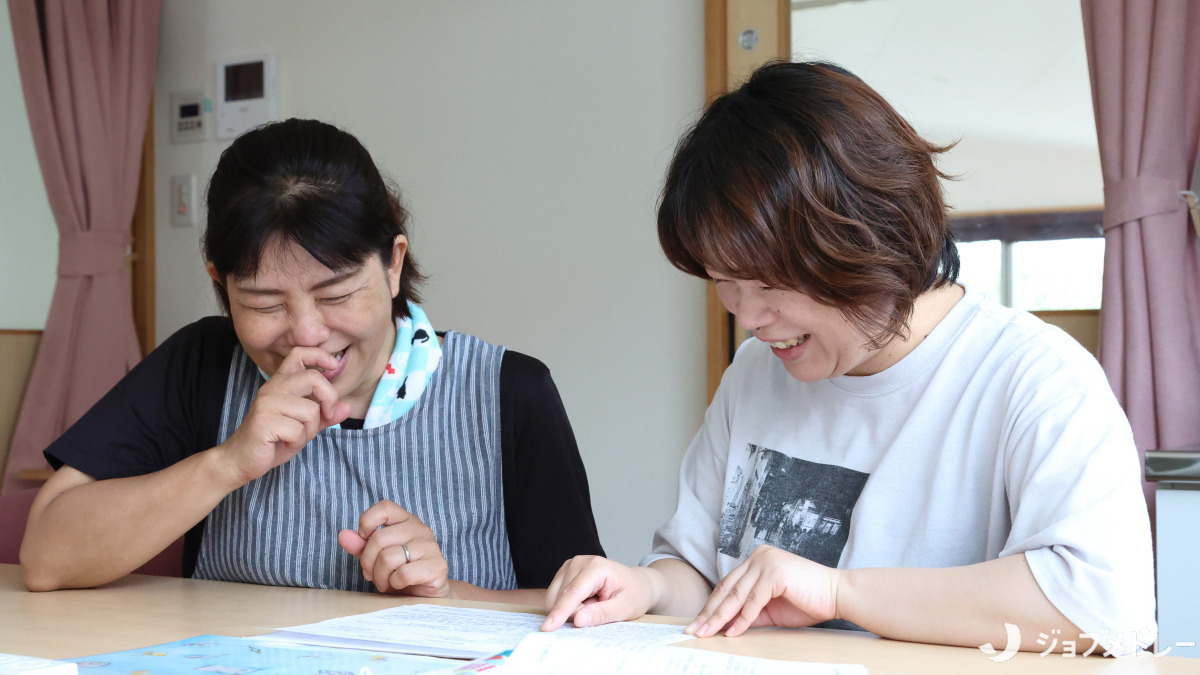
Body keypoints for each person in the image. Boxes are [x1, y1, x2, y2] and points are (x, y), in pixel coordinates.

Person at [542, 62, 1155, 656]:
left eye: (769, 284)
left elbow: (1108, 611)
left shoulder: (1034, 378)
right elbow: (702, 577)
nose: (747, 318)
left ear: (865, 239)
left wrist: (841, 592)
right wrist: (645, 587)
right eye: (723, 281)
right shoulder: (755, 373)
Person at [21, 119, 604, 604]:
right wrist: (226, 464)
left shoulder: (507, 391)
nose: (306, 333)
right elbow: (46, 555)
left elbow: (577, 605)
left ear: (393, 263)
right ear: (220, 287)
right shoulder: (202, 364)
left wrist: (447, 593)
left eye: (337, 294)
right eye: (263, 302)